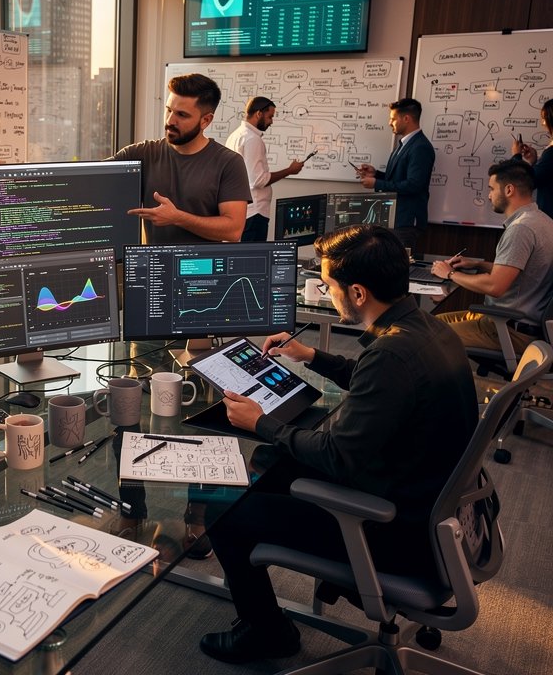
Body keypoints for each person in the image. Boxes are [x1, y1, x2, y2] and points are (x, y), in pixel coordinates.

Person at [199, 224, 476, 665]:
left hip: (393, 530)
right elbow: (383, 386)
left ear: (359, 293)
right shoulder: (425, 329)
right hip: (428, 502)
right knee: (277, 464)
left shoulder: (390, 356)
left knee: (224, 508)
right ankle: (259, 590)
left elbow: (337, 456)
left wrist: (262, 422)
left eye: (328, 285)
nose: (326, 293)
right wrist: (312, 357)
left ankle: (267, 632)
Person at [431, 160, 553, 357]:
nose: (488, 195)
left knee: (425, 336)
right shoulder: (543, 221)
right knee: (430, 323)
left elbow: (495, 286)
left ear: (509, 190)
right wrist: (478, 264)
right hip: (513, 324)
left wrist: (450, 273)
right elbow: (521, 272)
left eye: (491, 188)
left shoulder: (521, 229)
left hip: (508, 331)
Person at [113, 73, 251, 243]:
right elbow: (89, 177)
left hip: (203, 268)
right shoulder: (141, 153)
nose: (170, 120)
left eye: (182, 115)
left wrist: (178, 218)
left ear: (205, 120)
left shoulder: (229, 163)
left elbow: (233, 231)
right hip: (155, 267)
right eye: (168, 110)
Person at [356, 97, 435, 252]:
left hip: (405, 222)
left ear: (406, 119)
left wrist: (376, 184)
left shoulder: (420, 147)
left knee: (396, 267)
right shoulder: (404, 144)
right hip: (395, 219)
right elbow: (399, 179)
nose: (389, 123)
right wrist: (376, 174)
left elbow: (413, 185)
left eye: (393, 119)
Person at [224, 96, 305, 242]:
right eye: (270, 117)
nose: (271, 122)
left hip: (243, 211)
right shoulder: (252, 139)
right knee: (254, 260)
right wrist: (289, 170)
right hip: (255, 213)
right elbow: (258, 180)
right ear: (258, 114)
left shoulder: (235, 135)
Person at [511, 97, 553, 219]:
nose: (542, 123)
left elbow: (526, 182)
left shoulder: (551, 154)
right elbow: (543, 176)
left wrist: (516, 156)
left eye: (544, 118)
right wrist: (533, 161)